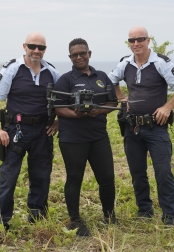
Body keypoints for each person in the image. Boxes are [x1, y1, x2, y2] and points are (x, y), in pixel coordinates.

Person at [108, 26, 174, 226]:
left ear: (148, 40)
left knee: (163, 172)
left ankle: (170, 216)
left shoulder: (161, 63)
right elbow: (110, 81)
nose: (136, 43)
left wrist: (167, 107)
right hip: (132, 127)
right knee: (137, 172)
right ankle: (144, 210)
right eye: (132, 40)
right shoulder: (125, 64)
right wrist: (121, 98)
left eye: (140, 39)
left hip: (156, 127)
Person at [0, 32, 60, 244]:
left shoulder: (51, 72)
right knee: (8, 178)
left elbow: (62, 100)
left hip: (42, 132)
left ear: (45, 50)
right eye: (32, 46)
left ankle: (37, 218)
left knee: (41, 176)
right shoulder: (12, 69)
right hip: (15, 132)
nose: (37, 50)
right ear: (24, 46)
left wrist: (58, 122)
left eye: (41, 47)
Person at [53, 38, 117, 236]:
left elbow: (112, 102)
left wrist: (99, 111)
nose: (79, 57)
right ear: (70, 57)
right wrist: (76, 114)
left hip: (98, 136)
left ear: (90, 53)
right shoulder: (65, 80)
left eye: (82, 53)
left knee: (106, 177)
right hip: (72, 138)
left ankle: (109, 215)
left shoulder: (102, 77)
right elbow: (57, 106)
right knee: (74, 178)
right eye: (74, 55)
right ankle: (75, 220)